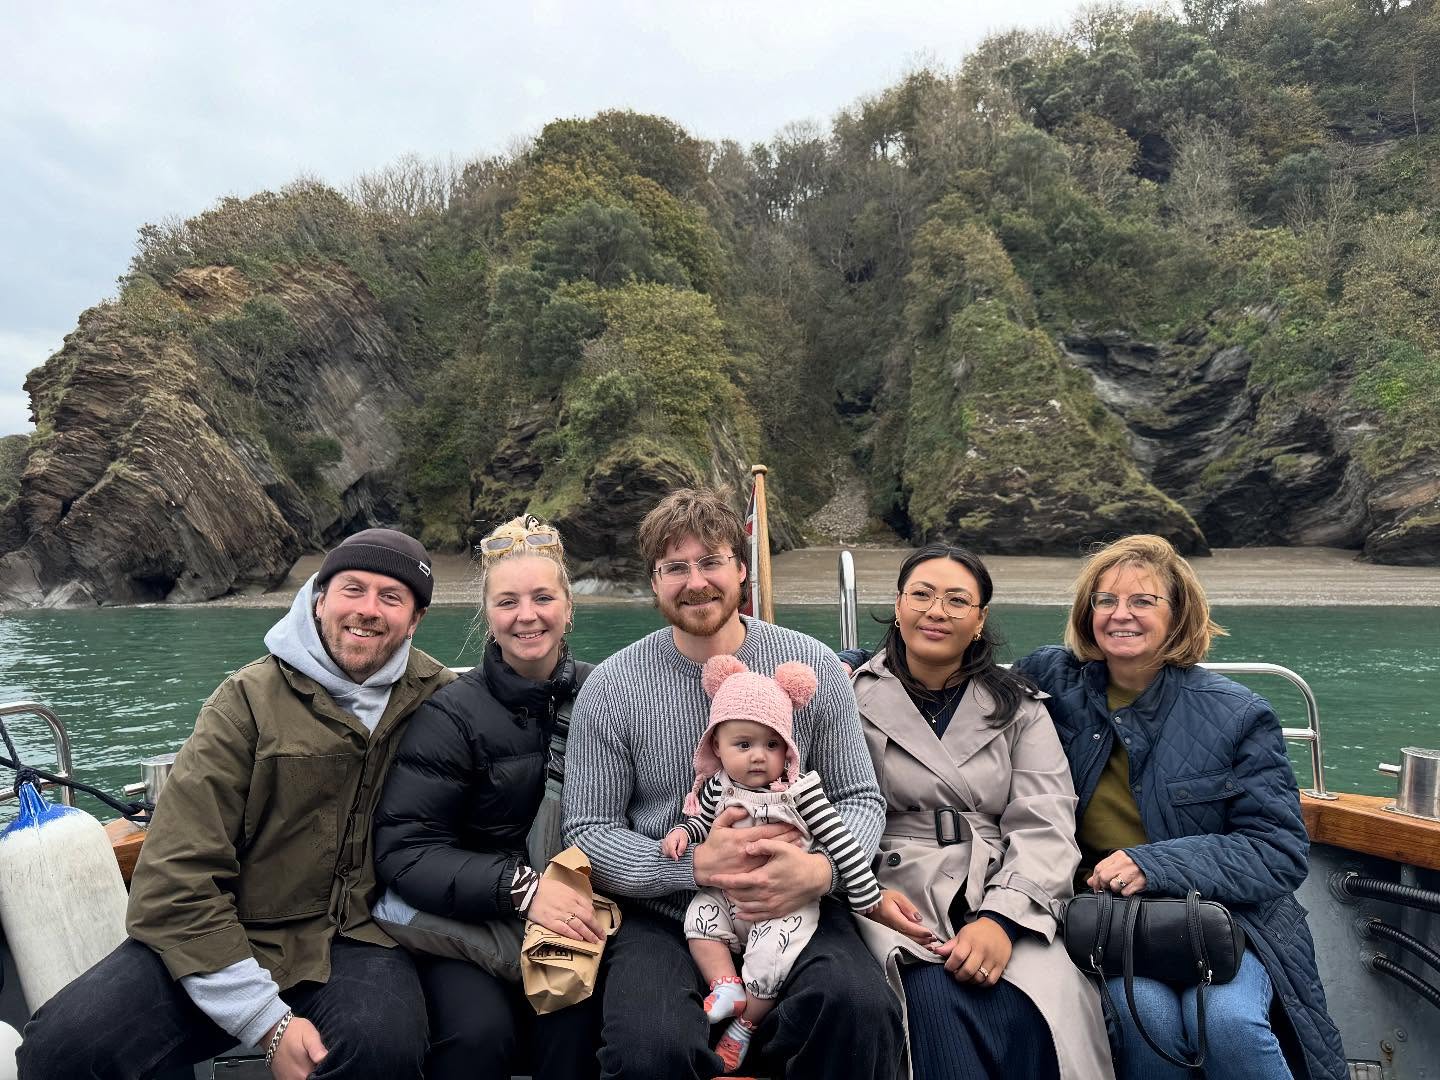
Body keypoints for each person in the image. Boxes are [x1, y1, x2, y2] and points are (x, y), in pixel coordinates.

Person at [18, 528, 453, 1080]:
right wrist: (265, 1020)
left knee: (382, 1049)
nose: (367, 610)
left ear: (414, 620)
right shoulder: (244, 701)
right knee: (62, 1048)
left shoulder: (439, 699)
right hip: (229, 928)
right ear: (320, 598)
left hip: (361, 937)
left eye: (391, 598)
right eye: (352, 589)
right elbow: (175, 878)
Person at [563, 487, 903, 1080]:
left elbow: (858, 798)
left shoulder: (813, 665)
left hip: (799, 901)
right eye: (675, 567)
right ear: (655, 581)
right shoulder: (613, 686)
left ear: (741, 569)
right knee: (649, 1052)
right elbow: (589, 830)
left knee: (859, 1009)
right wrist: (693, 865)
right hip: (664, 913)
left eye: (711, 561)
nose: (695, 582)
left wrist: (821, 871)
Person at [1012, 534, 1346, 1080]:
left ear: (1178, 615)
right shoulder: (1052, 680)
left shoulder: (1238, 713)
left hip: (1231, 918)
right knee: (1146, 1018)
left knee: (1228, 1023)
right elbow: (957, 675)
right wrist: (840, 669)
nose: (1121, 615)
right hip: (1112, 921)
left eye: (1143, 601)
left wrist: (1154, 863)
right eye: (1105, 600)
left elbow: (1278, 851)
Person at [852, 545, 1113, 1080]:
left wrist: (1001, 919)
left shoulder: (1019, 708)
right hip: (887, 893)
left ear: (980, 620)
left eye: (956, 600)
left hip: (998, 883)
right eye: (921, 594)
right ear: (898, 606)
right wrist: (863, 891)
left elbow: (1045, 822)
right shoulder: (846, 696)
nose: (936, 610)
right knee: (926, 1003)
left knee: (1036, 1012)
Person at [371, 514, 600, 1080]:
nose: (527, 616)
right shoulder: (451, 715)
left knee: (578, 1026)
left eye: (543, 597)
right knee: (479, 1035)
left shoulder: (606, 695)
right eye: (508, 602)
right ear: (488, 616)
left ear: (568, 607)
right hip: (473, 920)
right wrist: (521, 891)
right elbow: (407, 851)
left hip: (581, 920)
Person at [661, 655, 883, 1072]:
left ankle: (745, 1025)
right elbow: (697, 824)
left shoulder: (801, 792)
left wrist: (865, 893)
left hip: (786, 903)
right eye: (743, 745)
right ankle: (725, 983)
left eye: (772, 744)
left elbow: (841, 841)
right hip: (725, 892)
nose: (759, 757)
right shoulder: (715, 788)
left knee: (773, 958)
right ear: (717, 748)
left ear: (788, 748)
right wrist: (682, 836)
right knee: (699, 920)